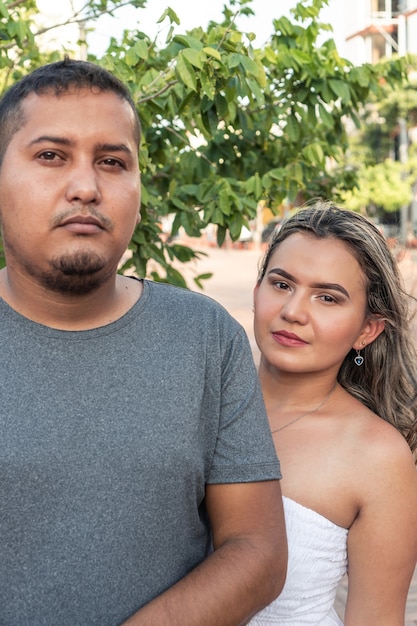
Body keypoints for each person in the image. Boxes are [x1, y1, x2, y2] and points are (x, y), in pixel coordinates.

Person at [0, 58, 288, 625]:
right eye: (51, 156)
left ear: (137, 187)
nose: (85, 186)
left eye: (112, 162)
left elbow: (259, 550)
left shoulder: (206, 339)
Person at [249, 202, 417, 625]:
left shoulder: (377, 456)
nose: (293, 311)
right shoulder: (198, 404)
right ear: (258, 289)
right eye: (282, 284)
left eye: (327, 297)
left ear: (367, 330)